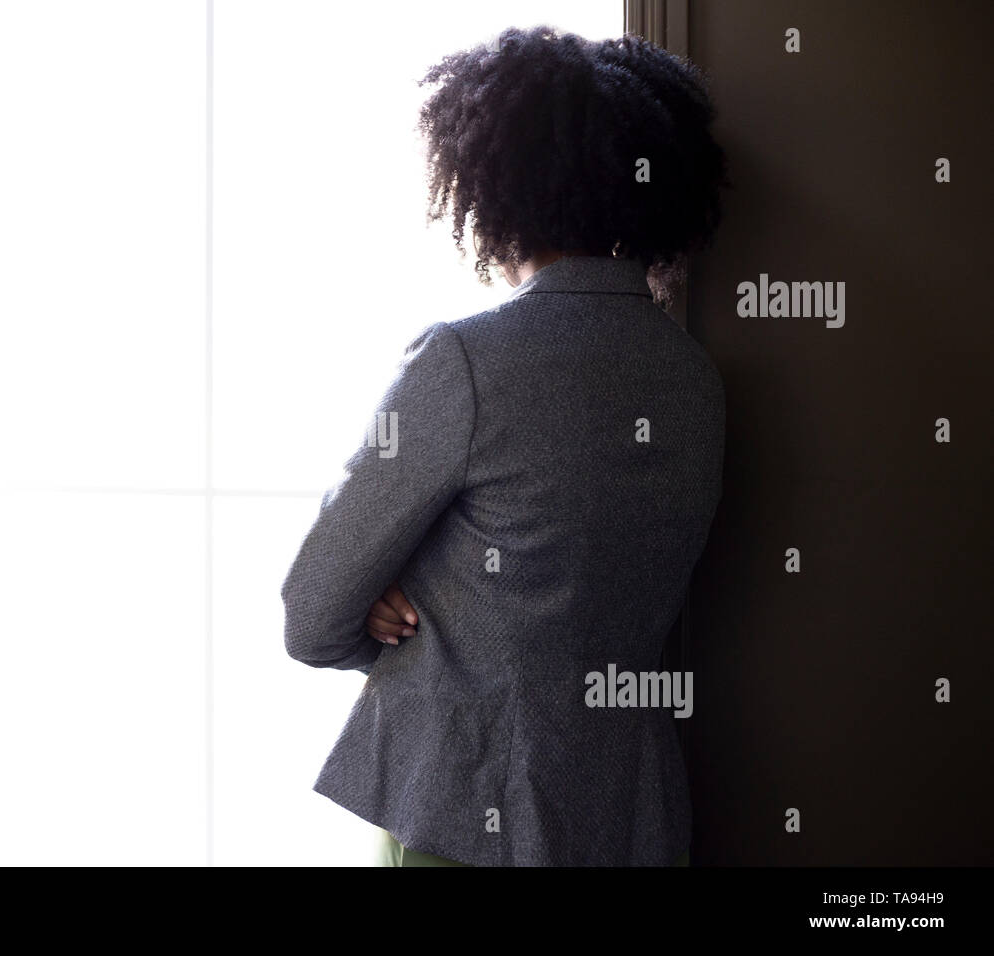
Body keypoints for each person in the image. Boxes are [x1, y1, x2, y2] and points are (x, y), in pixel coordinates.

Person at [281, 26, 728, 867]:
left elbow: (311, 613)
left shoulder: (467, 361)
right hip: (631, 817)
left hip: (467, 806)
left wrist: (392, 609)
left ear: (495, 186)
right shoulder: (696, 378)